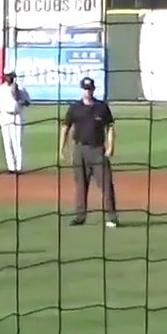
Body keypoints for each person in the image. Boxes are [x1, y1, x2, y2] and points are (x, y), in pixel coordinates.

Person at [60, 76, 120, 228]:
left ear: (93, 89)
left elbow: (110, 127)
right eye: (85, 89)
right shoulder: (74, 108)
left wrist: (111, 146)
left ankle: (111, 217)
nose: (87, 92)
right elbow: (65, 127)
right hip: (79, 149)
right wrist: (62, 148)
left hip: (97, 150)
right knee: (80, 184)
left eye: (89, 89)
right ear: (82, 90)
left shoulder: (101, 107)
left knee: (106, 184)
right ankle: (80, 216)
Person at [0, 69, 31, 175]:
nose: (10, 77)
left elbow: (28, 102)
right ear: (5, 76)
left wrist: (19, 99)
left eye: (11, 75)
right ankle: (11, 167)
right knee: (7, 142)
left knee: (17, 142)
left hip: (17, 116)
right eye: (8, 76)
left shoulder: (21, 89)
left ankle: (19, 167)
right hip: (4, 116)